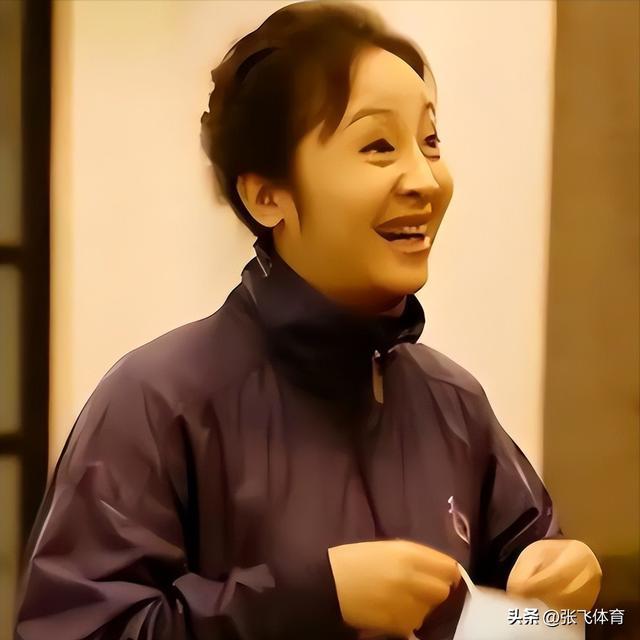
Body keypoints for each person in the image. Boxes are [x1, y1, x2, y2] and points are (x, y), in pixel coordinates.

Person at [14, 2, 602, 639]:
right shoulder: (158, 402)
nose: (425, 180)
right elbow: (76, 629)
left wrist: (563, 590)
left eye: (430, 142)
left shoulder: (454, 404)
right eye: (379, 146)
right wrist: (313, 599)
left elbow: (529, 600)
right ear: (267, 195)